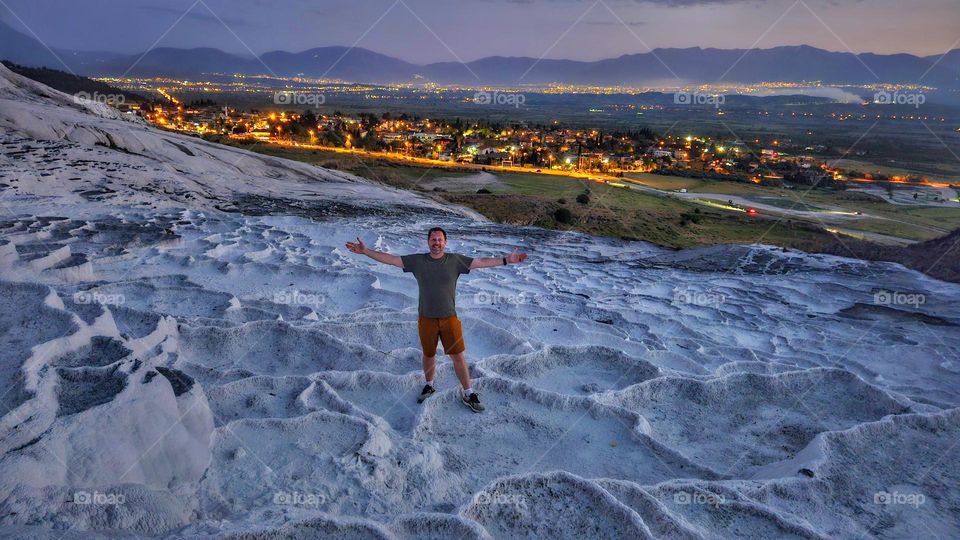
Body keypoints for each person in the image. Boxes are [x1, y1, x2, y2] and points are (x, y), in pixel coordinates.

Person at [345, 227, 528, 412]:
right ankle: (429, 384)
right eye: (433, 239)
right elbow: (391, 260)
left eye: (440, 239)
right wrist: (365, 251)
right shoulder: (417, 261)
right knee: (428, 354)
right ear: (428, 242)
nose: (436, 242)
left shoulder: (455, 261)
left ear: (445, 242)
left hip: (449, 318)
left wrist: (506, 260)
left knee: (458, 357)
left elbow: (481, 262)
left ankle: (469, 392)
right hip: (426, 319)